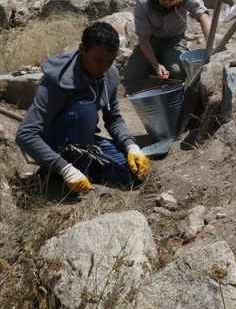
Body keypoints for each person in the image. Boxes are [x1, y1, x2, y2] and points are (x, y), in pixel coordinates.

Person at [16, 22, 151, 194]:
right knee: (85, 110)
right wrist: (65, 169)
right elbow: (25, 135)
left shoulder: (110, 75)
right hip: (53, 144)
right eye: (98, 60)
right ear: (82, 49)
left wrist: (131, 146)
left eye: (110, 61)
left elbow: (114, 119)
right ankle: (60, 172)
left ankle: (81, 172)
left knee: (134, 175)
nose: (103, 67)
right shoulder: (57, 80)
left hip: (84, 141)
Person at [123, 0, 211, 92]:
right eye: (164, 1)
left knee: (178, 71)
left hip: (175, 39)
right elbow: (143, 39)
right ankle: (154, 80)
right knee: (131, 74)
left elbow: (203, 16)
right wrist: (155, 65)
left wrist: (211, 45)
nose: (169, 4)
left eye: (173, 1)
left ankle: (170, 77)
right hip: (151, 40)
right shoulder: (143, 1)